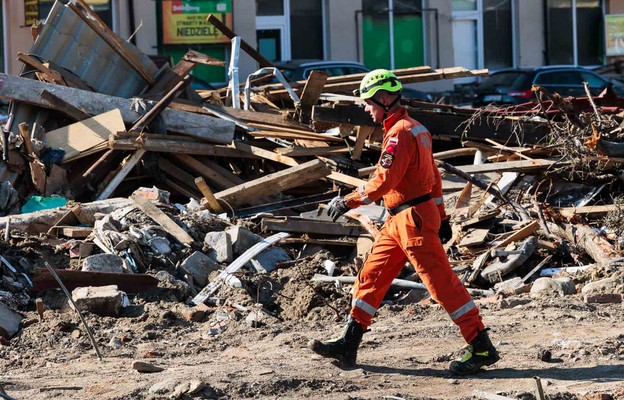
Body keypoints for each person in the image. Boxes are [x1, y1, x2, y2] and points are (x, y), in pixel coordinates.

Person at [308, 69, 499, 375]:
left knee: (441, 285)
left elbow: (384, 181)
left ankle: (481, 345)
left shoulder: (400, 133)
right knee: (371, 275)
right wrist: (444, 216)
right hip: (403, 219)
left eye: (369, 102)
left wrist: (347, 201)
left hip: (412, 221)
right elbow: (432, 179)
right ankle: (349, 341)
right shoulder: (416, 129)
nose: (367, 108)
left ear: (384, 99)